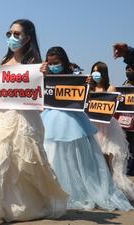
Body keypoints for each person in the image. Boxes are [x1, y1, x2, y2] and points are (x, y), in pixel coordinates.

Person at [0, 20, 68, 225]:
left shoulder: (37, 65)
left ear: (27, 38)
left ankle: (26, 207)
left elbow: (44, 93)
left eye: (16, 34)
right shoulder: (2, 62)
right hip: (4, 119)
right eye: (9, 33)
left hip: (27, 120)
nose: (11, 37)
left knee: (25, 165)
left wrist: (43, 75)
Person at [40, 46, 133, 211]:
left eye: (57, 63)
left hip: (72, 120)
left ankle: (75, 191)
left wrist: (88, 86)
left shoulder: (75, 77)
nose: (53, 66)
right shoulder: (44, 76)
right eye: (50, 63)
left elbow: (86, 99)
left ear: (64, 62)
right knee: (50, 154)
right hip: (49, 118)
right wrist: (41, 72)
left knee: (73, 158)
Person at [89, 61, 134, 200]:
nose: (96, 74)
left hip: (107, 127)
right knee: (94, 158)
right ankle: (97, 187)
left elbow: (110, 105)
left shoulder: (111, 87)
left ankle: (109, 189)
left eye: (98, 71)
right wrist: (88, 86)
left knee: (107, 157)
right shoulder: (89, 88)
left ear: (104, 73)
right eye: (93, 71)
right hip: (91, 126)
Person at [116, 64, 134, 176]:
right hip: (125, 123)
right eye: (127, 69)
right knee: (126, 147)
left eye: (131, 69)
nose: (128, 71)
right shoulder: (124, 85)